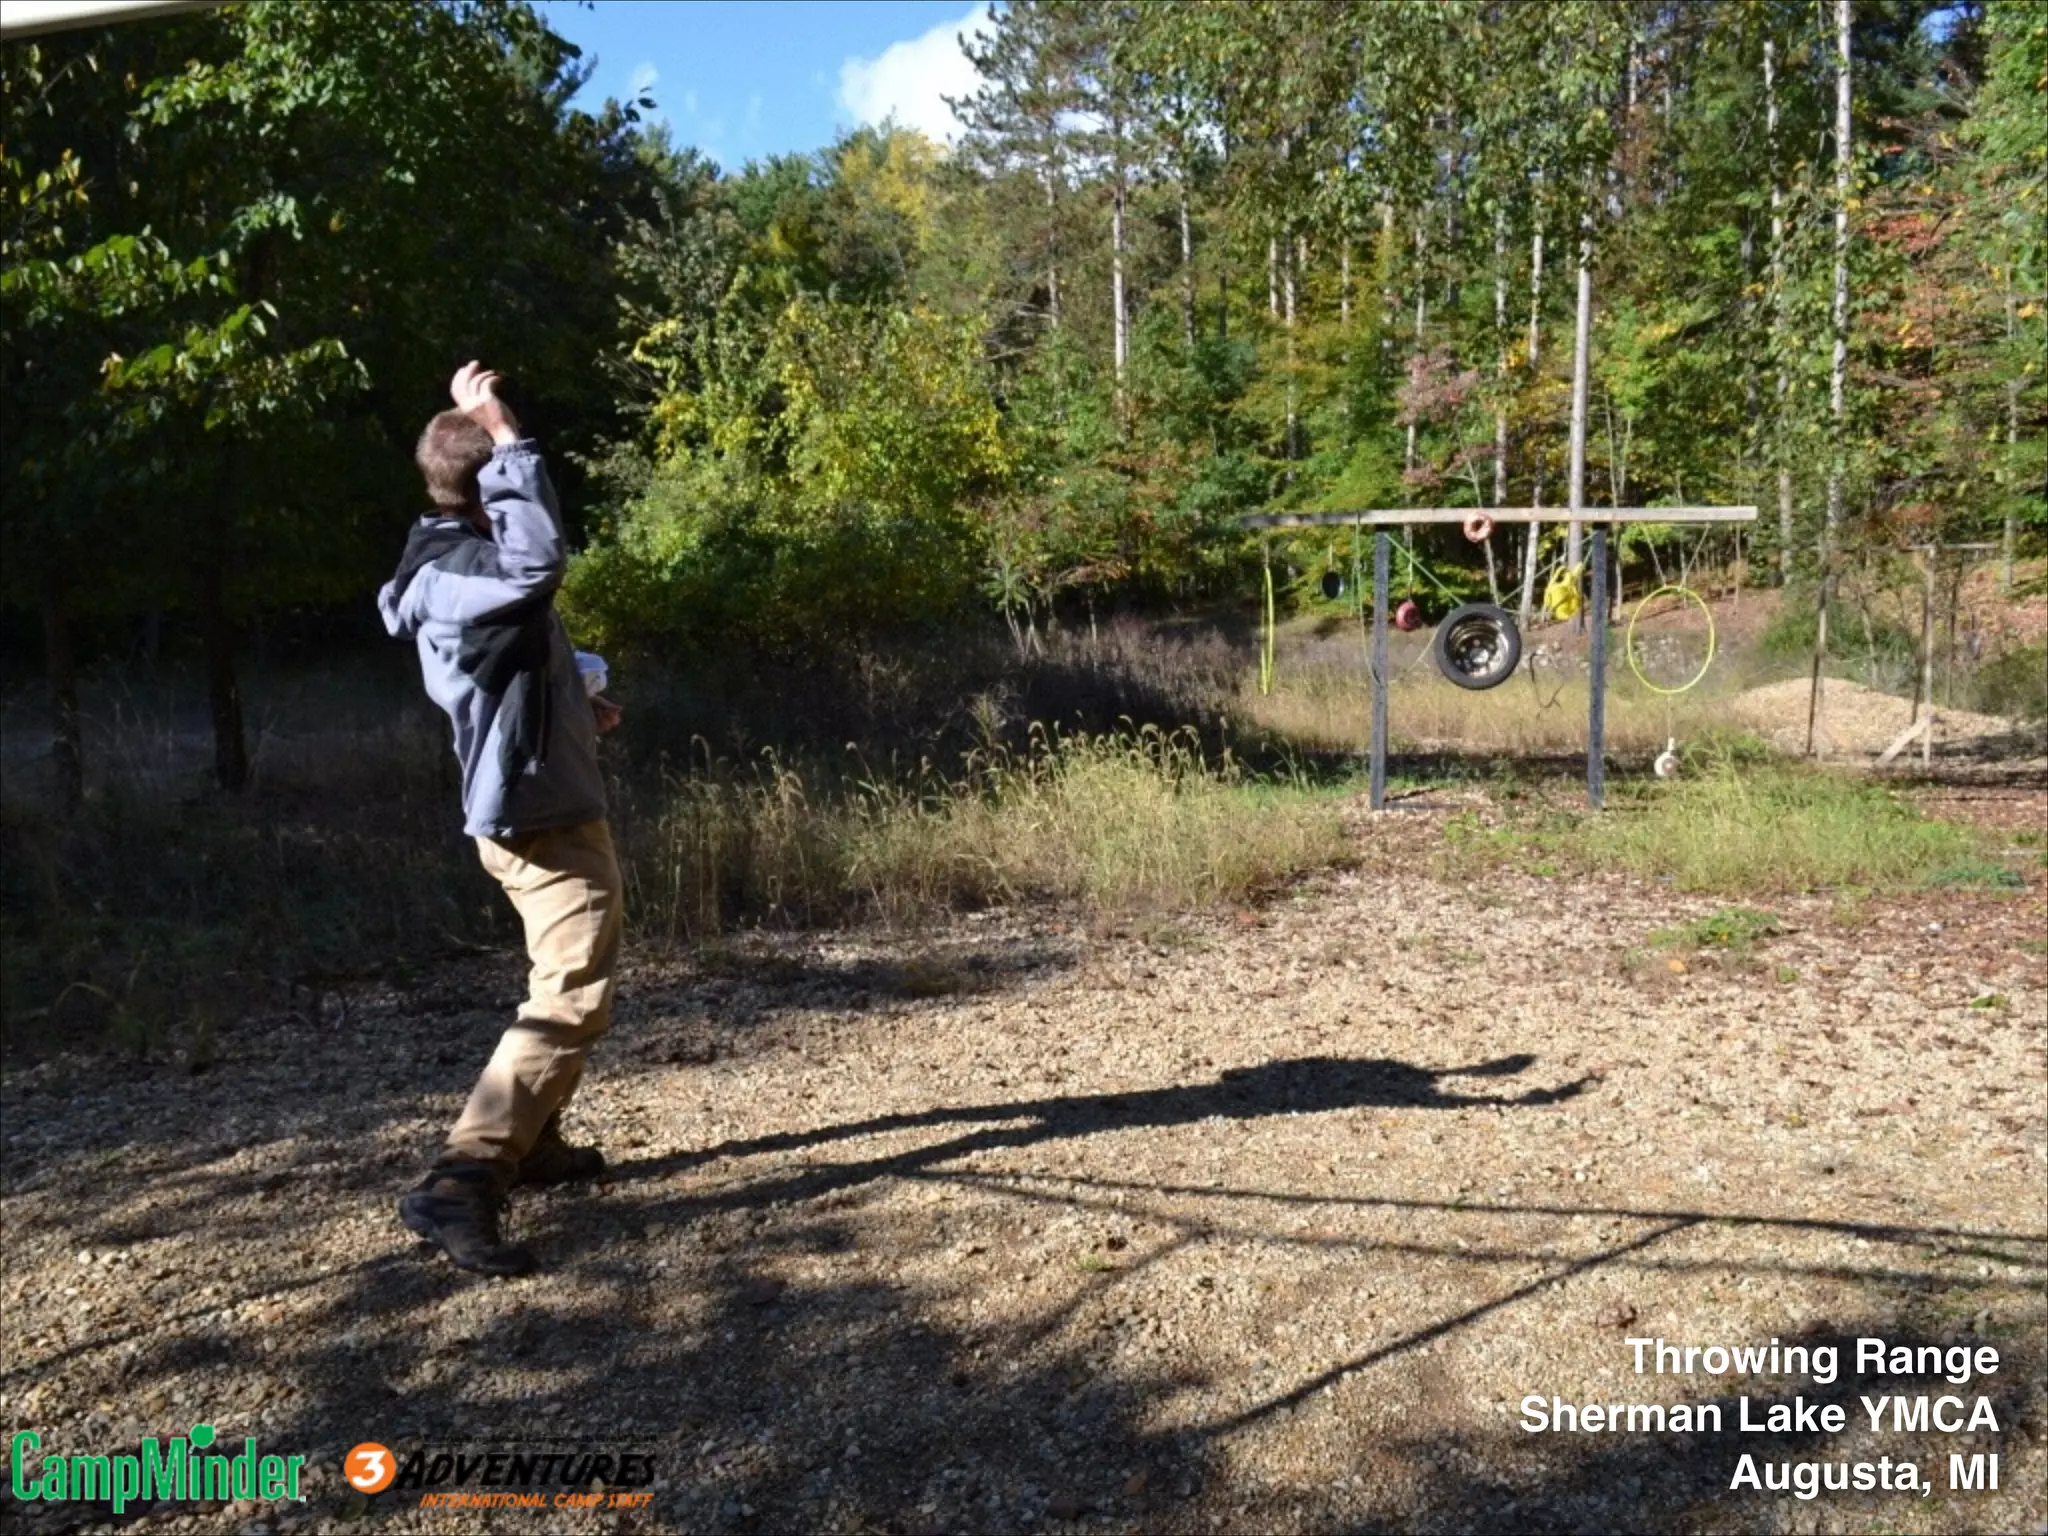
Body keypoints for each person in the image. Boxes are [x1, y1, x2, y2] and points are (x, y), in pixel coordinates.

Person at [378, 361, 625, 1276]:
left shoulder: (456, 561)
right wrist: (509, 439)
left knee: (566, 982)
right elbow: (535, 564)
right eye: (519, 476)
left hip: (536, 797)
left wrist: (576, 706)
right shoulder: (465, 571)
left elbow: (507, 657)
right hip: (536, 816)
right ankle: (463, 1180)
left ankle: (534, 1142)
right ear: (491, 490)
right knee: (570, 997)